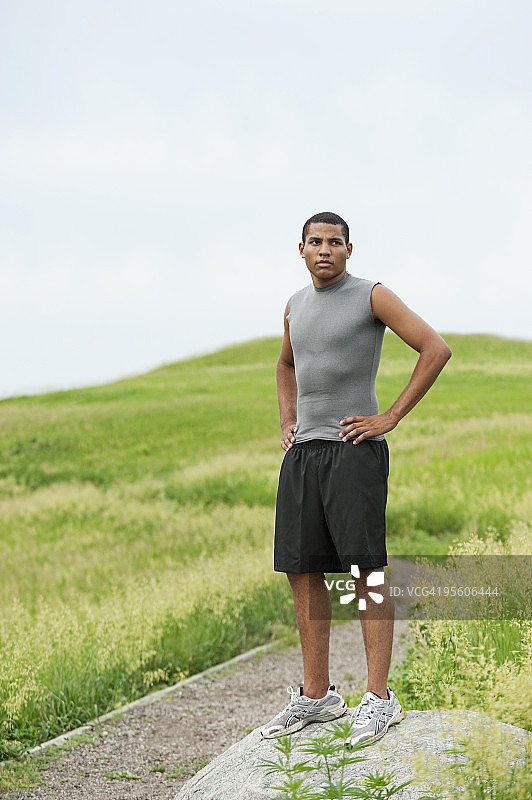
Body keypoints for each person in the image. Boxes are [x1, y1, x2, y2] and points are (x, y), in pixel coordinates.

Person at [260, 211, 452, 747]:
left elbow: (435, 348)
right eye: (315, 242)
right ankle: (319, 698)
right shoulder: (294, 306)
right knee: (303, 570)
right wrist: (287, 419)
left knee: (366, 571)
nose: (325, 249)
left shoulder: (372, 295)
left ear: (350, 249)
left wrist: (388, 417)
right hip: (304, 456)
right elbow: (284, 364)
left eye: (335, 242)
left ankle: (379, 699)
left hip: (354, 452)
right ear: (300, 249)